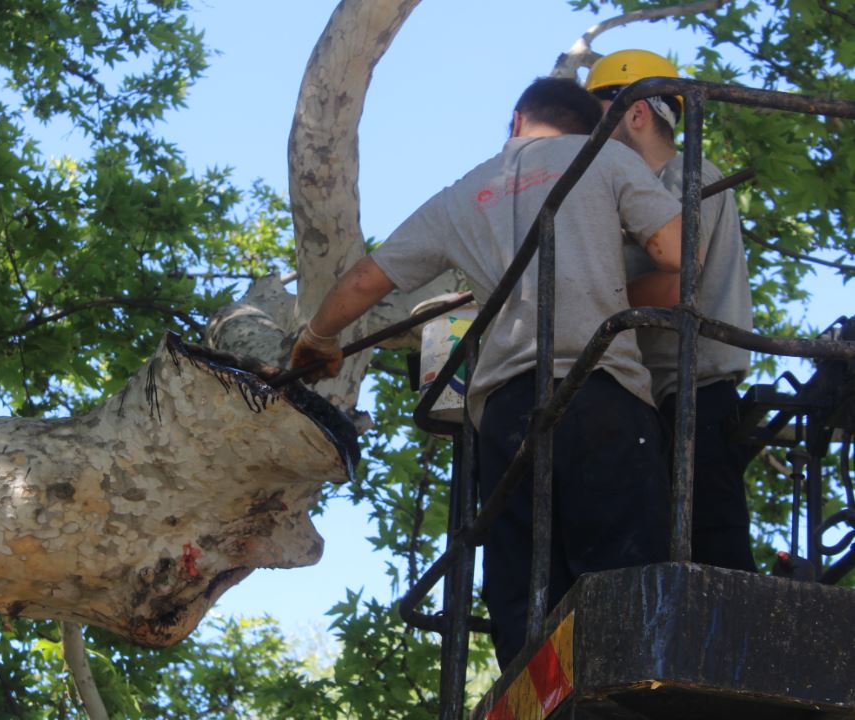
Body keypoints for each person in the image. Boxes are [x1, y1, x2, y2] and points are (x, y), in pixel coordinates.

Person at [290, 77, 685, 670]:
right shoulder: (602, 157)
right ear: (589, 124)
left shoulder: (463, 193)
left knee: (526, 595)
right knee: (628, 586)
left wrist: (317, 339)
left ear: (516, 119)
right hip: (599, 391)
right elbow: (679, 253)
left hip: (504, 416)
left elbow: (365, 281)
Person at [586, 49, 758, 573]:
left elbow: (673, 287)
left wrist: (586, 294)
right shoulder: (635, 194)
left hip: (696, 394)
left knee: (713, 558)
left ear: (635, 113)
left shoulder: (686, 173)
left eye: (596, 118)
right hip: (658, 397)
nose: (585, 140)